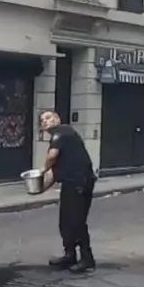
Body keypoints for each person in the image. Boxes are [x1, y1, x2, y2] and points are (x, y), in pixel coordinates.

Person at [39, 110, 97, 273]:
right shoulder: (61, 139)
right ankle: (69, 254)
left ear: (57, 119)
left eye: (48, 118)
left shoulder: (63, 131)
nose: (45, 121)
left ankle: (87, 259)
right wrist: (39, 189)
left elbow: (52, 158)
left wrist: (41, 171)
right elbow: (56, 171)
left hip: (80, 182)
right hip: (70, 183)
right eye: (42, 120)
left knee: (76, 221)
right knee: (65, 221)